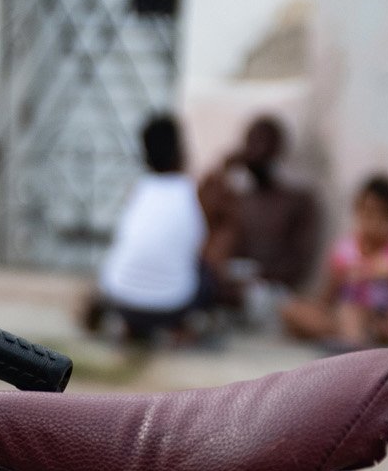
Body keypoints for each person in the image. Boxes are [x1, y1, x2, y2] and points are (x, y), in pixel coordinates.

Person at [86, 114, 208, 345]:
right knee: (206, 272)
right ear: (181, 150)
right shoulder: (193, 191)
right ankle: (180, 328)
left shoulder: (137, 190)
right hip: (173, 305)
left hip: (120, 299)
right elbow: (199, 248)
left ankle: (128, 325)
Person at [282, 174, 388, 348]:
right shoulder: (345, 249)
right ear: (358, 210)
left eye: (382, 215)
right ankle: (346, 337)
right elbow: (327, 298)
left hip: (378, 319)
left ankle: (351, 343)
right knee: (292, 309)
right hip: (341, 315)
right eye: (368, 213)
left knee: (352, 314)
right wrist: (340, 280)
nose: (374, 222)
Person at [198, 116, 322, 310]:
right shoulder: (238, 199)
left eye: (264, 143)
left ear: (277, 150)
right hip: (233, 286)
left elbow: (300, 263)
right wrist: (224, 167)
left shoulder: (298, 200)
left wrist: (259, 277)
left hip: (272, 292)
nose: (257, 151)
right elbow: (203, 210)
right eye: (251, 144)